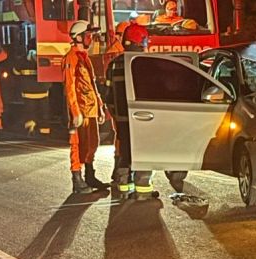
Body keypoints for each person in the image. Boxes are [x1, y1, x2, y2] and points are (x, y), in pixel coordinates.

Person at [105, 22, 159, 201]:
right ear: (140, 41)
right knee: (143, 151)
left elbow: (108, 95)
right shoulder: (145, 63)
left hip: (121, 119)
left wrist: (116, 114)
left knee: (125, 150)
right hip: (143, 118)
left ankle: (123, 187)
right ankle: (143, 190)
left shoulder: (113, 65)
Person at [62, 20, 109, 194]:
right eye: (88, 35)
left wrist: (100, 106)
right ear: (79, 37)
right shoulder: (71, 58)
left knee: (92, 144)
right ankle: (77, 180)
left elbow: (92, 84)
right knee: (77, 145)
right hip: (80, 111)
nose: (91, 39)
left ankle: (90, 176)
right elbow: (70, 86)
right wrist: (75, 112)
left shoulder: (84, 58)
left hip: (90, 109)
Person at [12, 38, 52, 136]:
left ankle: (31, 128)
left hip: (28, 92)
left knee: (30, 112)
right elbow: (50, 72)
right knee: (44, 113)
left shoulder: (22, 60)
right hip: (43, 91)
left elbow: (15, 72)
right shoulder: (44, 59)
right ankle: (44, 132)